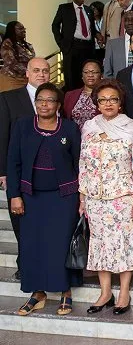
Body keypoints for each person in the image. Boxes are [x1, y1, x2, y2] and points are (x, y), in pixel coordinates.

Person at [7, 82, 83, 316]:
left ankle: (65, 291)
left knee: (60, 244)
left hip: (64, 197)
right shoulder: (22, 126)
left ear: (58, 105)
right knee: (32, 244)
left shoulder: (69, 129)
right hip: (31, 197)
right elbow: (13, 162)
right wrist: (14, 195)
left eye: (50, 100)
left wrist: (82, 197)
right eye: (40, 100)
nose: (44, 104)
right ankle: (37, 293)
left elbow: (80, 163)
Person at [79, 78, 133, 315]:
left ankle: (124, 291)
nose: (108, 104)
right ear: (97, 103)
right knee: (99, 244)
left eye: (113, 99)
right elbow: (83, 162)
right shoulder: (89, 127)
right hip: (95, 197)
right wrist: (82, 196)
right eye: (103, 100)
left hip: (123, 196)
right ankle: (105, 292)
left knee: (123, 244)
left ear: (120, 103)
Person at [0, 58, 50, 280]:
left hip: (48, 172)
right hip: (18, 171)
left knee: (43, 222)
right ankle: (25, 264)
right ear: (27, 73)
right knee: (20, 220)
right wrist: (3, 172)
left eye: (45, 71)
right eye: (37, 70)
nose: (41, 74)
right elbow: (2, 137)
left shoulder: (55, 99)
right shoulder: (8, 99)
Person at [51, 0, 96, 91]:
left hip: (88, 47)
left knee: (87, 73)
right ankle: (72, 101)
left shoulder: (89, 9)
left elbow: (91, 28)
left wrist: (97, 35)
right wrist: (61, 43)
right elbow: (55, 25)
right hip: (72, 47)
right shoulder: (64, 8)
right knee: (71, 76)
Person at [64, 59, 102, 130]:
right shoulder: (70, 95)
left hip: (97, 137)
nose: (90, 75)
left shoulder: (106, 96)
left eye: (94, 72)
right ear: (82, 75)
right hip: (74, 137)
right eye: (86, 72)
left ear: (101, 75)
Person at [0, 21, 35, 92]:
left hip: (25, 79)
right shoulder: (7, 43)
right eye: (20, 29)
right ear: (13, 30)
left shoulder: (26, 45)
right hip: (11, 79)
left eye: (24, 28)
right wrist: (29, 71)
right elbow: (11, 62)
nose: (24, 30)